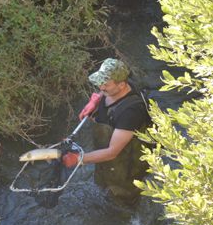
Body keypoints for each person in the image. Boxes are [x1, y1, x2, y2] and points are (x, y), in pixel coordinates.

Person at [62, 58, 151, 203]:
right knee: (103, 184)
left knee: (122, 197)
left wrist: (78, 159)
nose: (101, 86)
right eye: (100, 82)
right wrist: (95, 100)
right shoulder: (120, 85)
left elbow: (112, 152)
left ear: (122, 85)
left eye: (106, 84)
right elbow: (104, 90)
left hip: (125, 162)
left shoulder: (131, 112)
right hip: (108, 159)